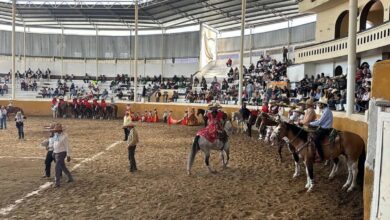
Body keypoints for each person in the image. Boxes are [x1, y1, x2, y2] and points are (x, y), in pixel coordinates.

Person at [309, 97, 333, 162]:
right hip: (322, 128)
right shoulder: (325, 110)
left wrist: (310, 123)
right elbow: (320, 121)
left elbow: (320, 122)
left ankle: (321, 156)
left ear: (323, 104)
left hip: (325, 129)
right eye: (318, 104)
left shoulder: (326, 111)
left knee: (316, 140)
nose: (318, 105)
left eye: (319, 104)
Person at [51, 123, 73, 188]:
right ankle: (70, 177)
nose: (55, 131)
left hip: (61, 153)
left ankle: (57, 183)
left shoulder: (65, 136)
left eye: (56, 130)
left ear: (60, 130)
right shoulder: (55, 135)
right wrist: (53, 151)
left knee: (57, 167)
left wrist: (68, 155)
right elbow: (54, 142)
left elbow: (67, 146)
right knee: (62, 166)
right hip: (55, 152)